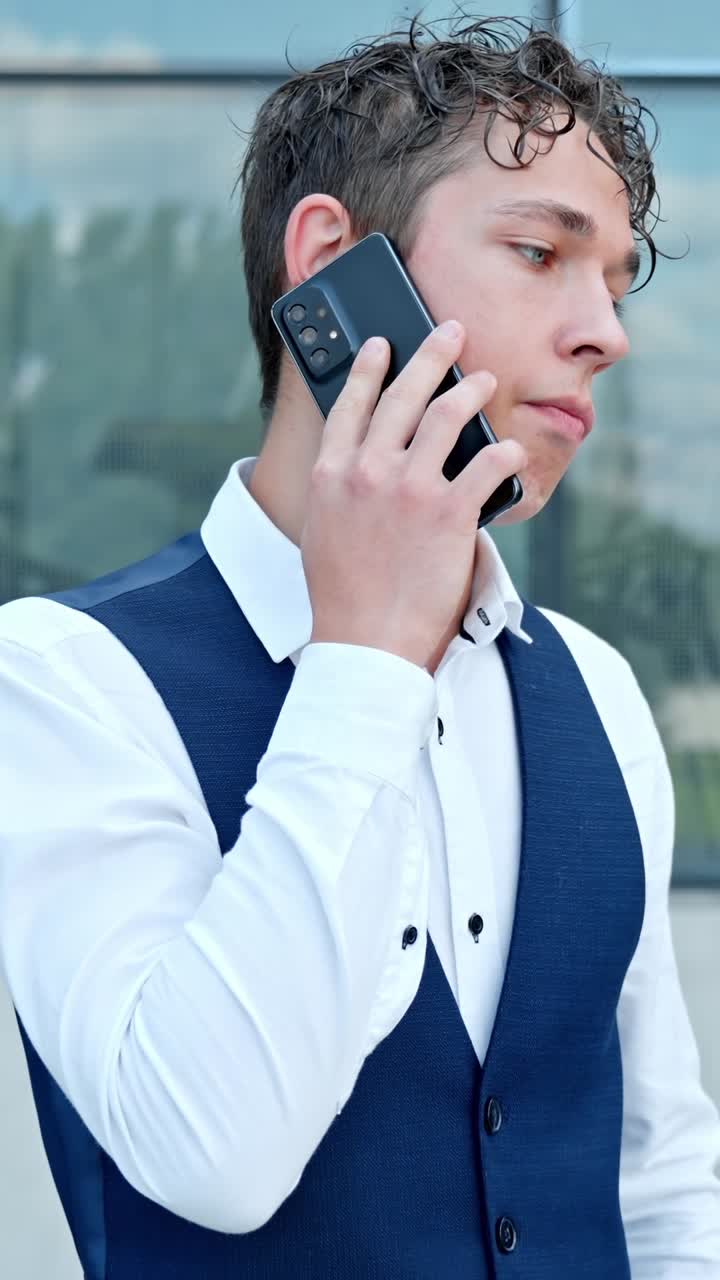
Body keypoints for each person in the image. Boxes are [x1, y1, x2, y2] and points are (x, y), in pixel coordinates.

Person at [1, 15, 719, 1280]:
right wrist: (370, 652)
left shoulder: (596, 690)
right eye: (543, 251)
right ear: (334, 264)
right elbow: (212, 1154)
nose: (605, 329)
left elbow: (658, 1174)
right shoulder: (62, 679)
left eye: (612, 278)